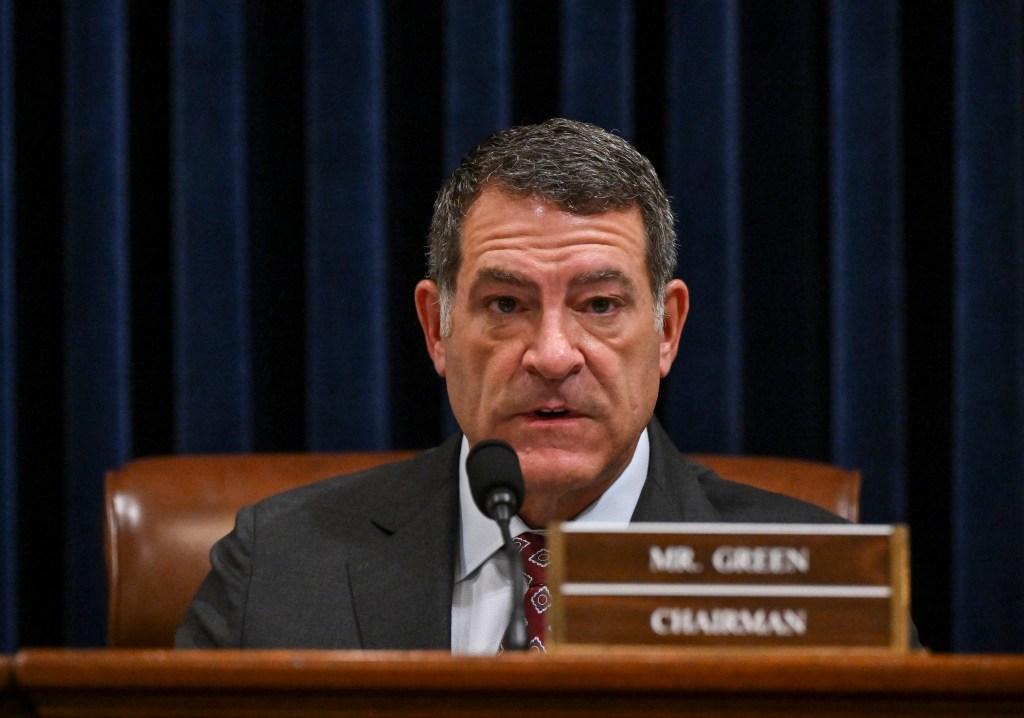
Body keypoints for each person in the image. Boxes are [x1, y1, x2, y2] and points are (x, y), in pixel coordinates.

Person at [175, 118, 844, 652]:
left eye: (600, 305)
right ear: (436, 329)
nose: (552, 356)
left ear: (667, 330)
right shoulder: (277, 567)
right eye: (505, 305)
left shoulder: (819, 582)